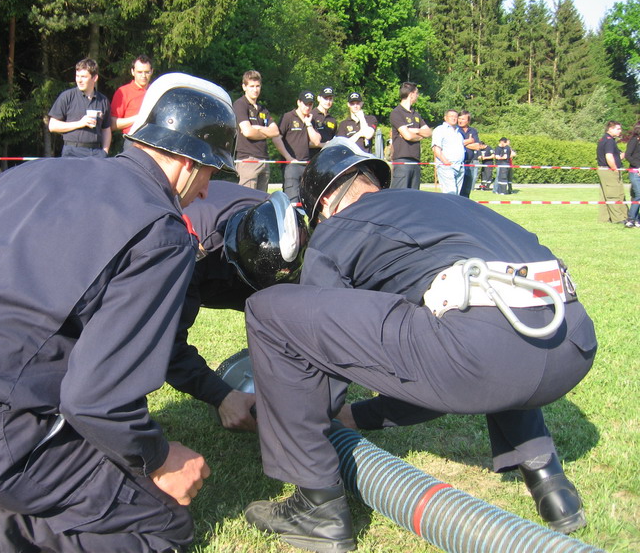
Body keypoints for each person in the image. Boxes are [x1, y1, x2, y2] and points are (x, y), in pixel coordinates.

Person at [0, 73, 238, 553]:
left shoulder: (32, 173)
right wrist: (159, 458)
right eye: (211, 172)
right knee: (161, 526)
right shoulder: (162, 231)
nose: (205, 192)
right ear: (187, 160)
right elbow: (96, 401)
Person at [242, 140, 596, 552]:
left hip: (486, 355)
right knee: (496, 318)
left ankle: (316, 509)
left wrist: (301, 414)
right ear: (373, 181)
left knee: (270, 309)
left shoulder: (337, 228)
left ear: (323, 206)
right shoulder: (448, 205)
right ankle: (550, 482)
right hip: (572, 340)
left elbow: (319, 361)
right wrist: (366, 415)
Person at [171, 181, 308, 432]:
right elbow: (165, 343)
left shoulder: (284, 222)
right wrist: (220, 395)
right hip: (199, 259)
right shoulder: (183, 248)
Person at [47, 58, 111, 157]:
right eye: (77, 76)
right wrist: (80, 123)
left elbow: (106, 129)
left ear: (95, 78)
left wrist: (105, 151)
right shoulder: (67, 96)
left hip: (96, 153)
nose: (79, 80)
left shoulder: (103, 100)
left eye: (83, 77)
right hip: (72, 151)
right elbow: (52, 126)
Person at [233, 70, 281, 192]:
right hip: (248, 159)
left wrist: (258, 128)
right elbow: (248, 132)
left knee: (261, 200)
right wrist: (266, 132)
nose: (255, 89)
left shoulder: (263, 109)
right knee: (247, 199)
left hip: (264, 159)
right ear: (244, 87)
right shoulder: (240, 104)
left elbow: (276, 132)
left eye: (257, 86)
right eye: (251, 86)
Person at [274, 91, 321, 201]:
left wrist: (308, 124)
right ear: (299, 102)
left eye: (310, 104)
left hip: (306, 165)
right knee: (292, 201)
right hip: (291, 166)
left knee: (307, 202)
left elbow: (316, 141)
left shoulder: (311, 120)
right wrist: (288, 157)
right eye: (305, 104)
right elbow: (276, 138)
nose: (308, 107)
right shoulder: (288, 117)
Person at [389, 82, 431, 190]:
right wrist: (420, 135)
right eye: (417, 93)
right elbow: (408, 136)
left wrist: (416, 130)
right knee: (400, 196)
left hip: (416, 161)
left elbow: (429, 132)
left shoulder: (415, 114)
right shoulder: (396, 113)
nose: (418, 96)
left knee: (414, 197)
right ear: (411, 94)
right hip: (402, 161)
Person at [110, 54, 154, 136]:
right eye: (139, 72)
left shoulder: (156, 90)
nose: (143, 76)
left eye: (147, 72)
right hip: (132, 138)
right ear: (132, 72)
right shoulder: (123, 92)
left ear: (152, 71)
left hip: (154, 138)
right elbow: (112, 124)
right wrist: (138, 118)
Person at [595, 121, 628, 224]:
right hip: (609, 170)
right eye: (618, 129)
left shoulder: (605, 139)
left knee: (605, 195)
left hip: (604, 170)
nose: (620, 131)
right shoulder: (609, 141)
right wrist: (614, 169)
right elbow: (609, 157)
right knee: (614, 194)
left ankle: (605, 218)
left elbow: (617, 156)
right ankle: (618, 219)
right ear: (610, 129)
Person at [431, 109, 466, 194]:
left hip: (460, 166)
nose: (454, 118)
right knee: (450, 193)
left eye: (455, 117)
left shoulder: (459, 132)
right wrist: (445, 162)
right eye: (451, 116)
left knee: (457, 195)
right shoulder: (440, 130)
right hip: (446, 167)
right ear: (445, 118)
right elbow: (436, 148)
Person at [458, 110, 486, 198]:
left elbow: (477, 146)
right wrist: (469, 141)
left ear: (468, 121)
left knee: (467, 189)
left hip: (470, 163)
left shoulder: (473, 131)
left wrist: (463, 143)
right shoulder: (455, 130)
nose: (460, 121)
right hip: (458, 163)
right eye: (459, 118)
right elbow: (454, 144)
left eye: (463, 119)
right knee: (457, 189)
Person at [309, 86, 338, 157]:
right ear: (318, 98)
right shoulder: (310, 116)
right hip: (312, 157)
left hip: (327, 158)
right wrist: (323, 145)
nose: (328, 102)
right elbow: (304, 143)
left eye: (330, 99)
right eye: (325, 98)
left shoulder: (332, 120)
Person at [624, 121, 640, 227]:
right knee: (639, 194)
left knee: (636, 196)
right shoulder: (634, 140)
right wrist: (638, 166)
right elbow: (627, 155)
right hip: (635, 172)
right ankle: (630, 219)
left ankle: (637, 219)